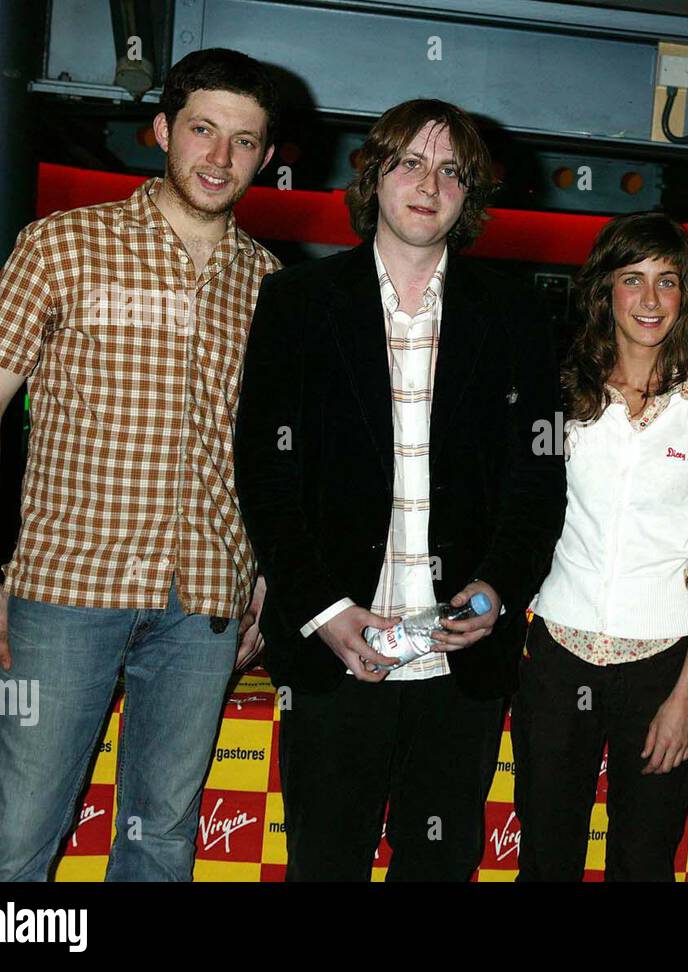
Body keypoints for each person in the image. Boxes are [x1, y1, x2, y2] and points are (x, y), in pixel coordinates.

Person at [0, 48, 280, 881]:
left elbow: (277, 456)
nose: (219, 157)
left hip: (205, 600)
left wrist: (265, 583)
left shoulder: (274, 286)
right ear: (163, 129)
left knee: (161, 837)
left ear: (266, 158)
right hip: (66, 590)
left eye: (243, 142)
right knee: (18, 829)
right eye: (203, 130)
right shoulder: (63, 245)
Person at [233, 99, 566, 881]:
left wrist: (496, 590)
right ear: (376, 175)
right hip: (334, 650)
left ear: (470, 194)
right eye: (410, 162)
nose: (430, 182)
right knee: (326, 864)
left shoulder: (516, 316)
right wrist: (324, 609)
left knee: (440, 867)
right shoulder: (298, 303)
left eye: (453, 170)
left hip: (462, 663)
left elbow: (538, 475)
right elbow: (264, 471)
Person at [512, 212, 688, 881]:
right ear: (603, 292)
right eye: (632, 280)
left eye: (666, 281)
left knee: (643, 865)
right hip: (559, 654)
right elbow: (522, 519)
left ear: (685, 296)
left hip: (664, 666)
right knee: (546, 860)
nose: (650, 300)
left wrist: (687, 697)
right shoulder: (559, 399)